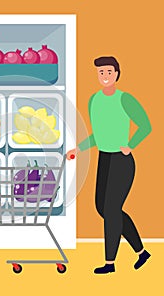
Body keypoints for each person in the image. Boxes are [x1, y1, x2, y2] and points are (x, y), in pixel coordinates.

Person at [67, 56, 152, 274]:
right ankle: (141, 252)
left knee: (112, 210)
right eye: (101, 72)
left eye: (108, 72)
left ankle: (109, 263)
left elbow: (145, 125)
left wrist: (130, 145)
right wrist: (79, 149)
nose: (104, 76)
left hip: (122, 161)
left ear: (117, 74)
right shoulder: (94, 100)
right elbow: (99, 134)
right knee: (102, 208)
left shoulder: (125, 99)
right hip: (104, 158)